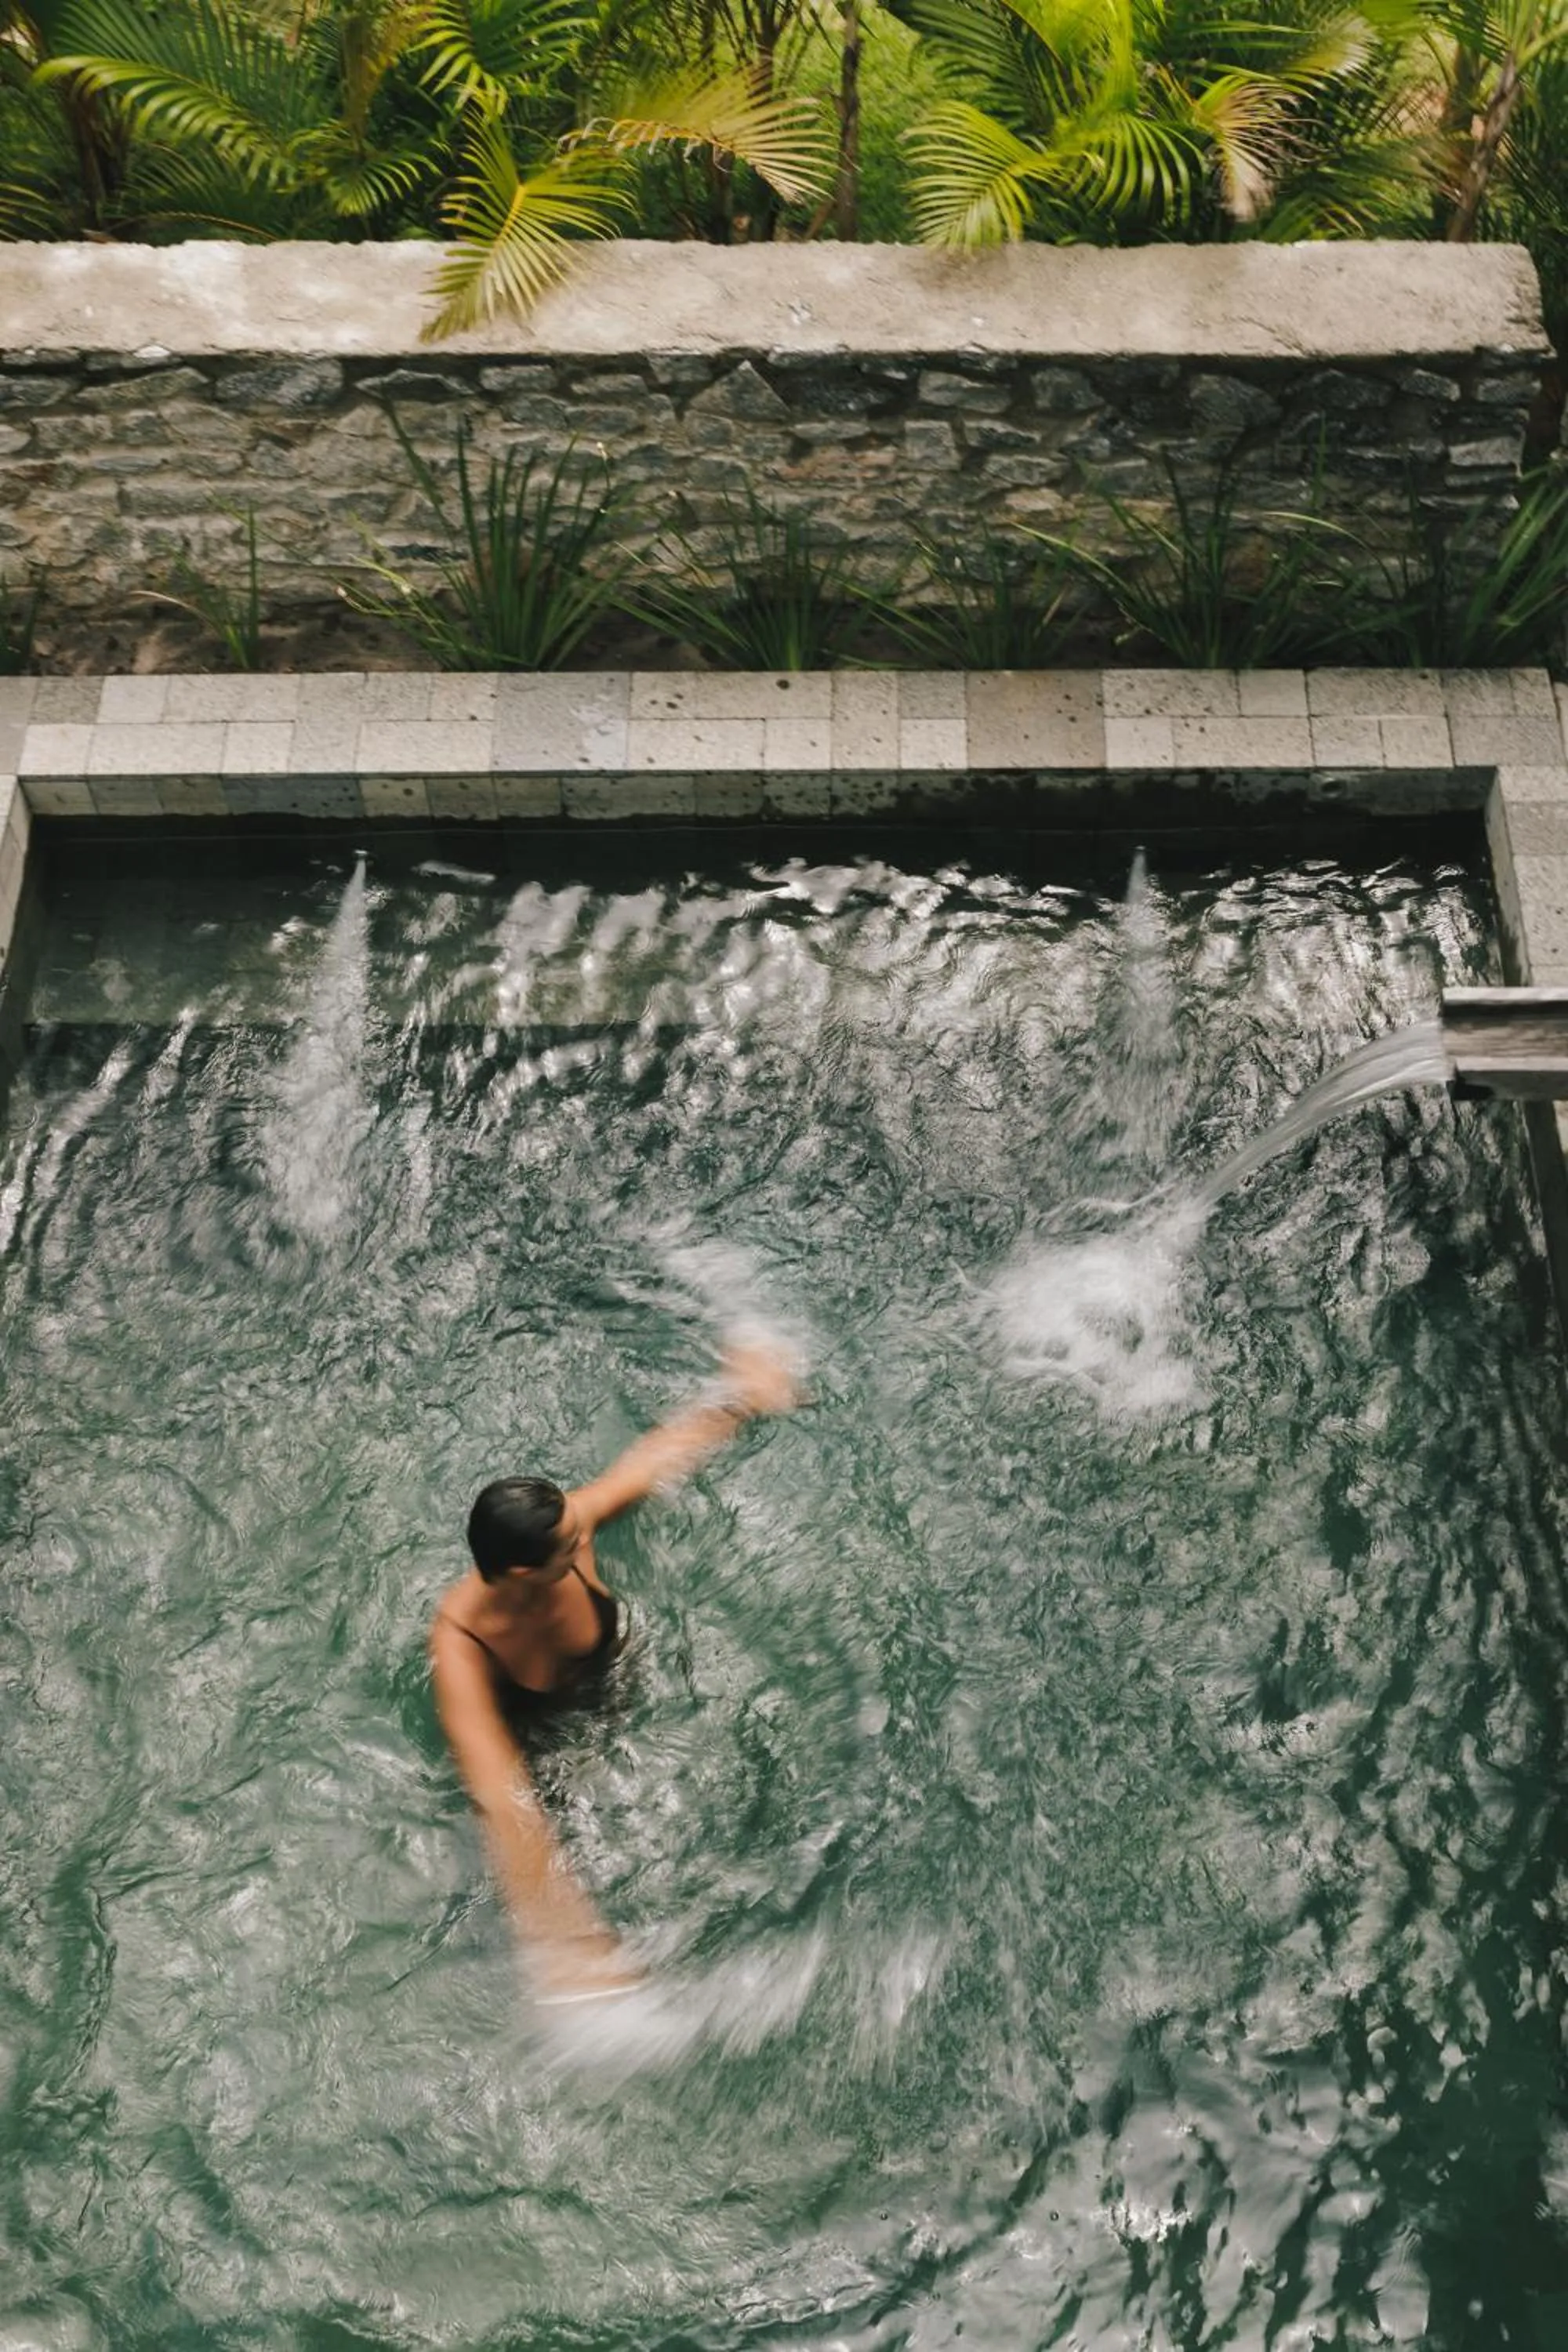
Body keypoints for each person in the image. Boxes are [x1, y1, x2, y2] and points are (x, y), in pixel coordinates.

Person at [430, 1339, 800, 2000]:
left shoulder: (570, 1531)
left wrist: (741, 1396)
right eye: (571, 1541)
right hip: (548, 1755)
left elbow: (648, 1465)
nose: (587, 1532)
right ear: (521, 1572)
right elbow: (500, 1790)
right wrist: (571, 1946)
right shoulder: (463, 1647)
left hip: (626, 1699)